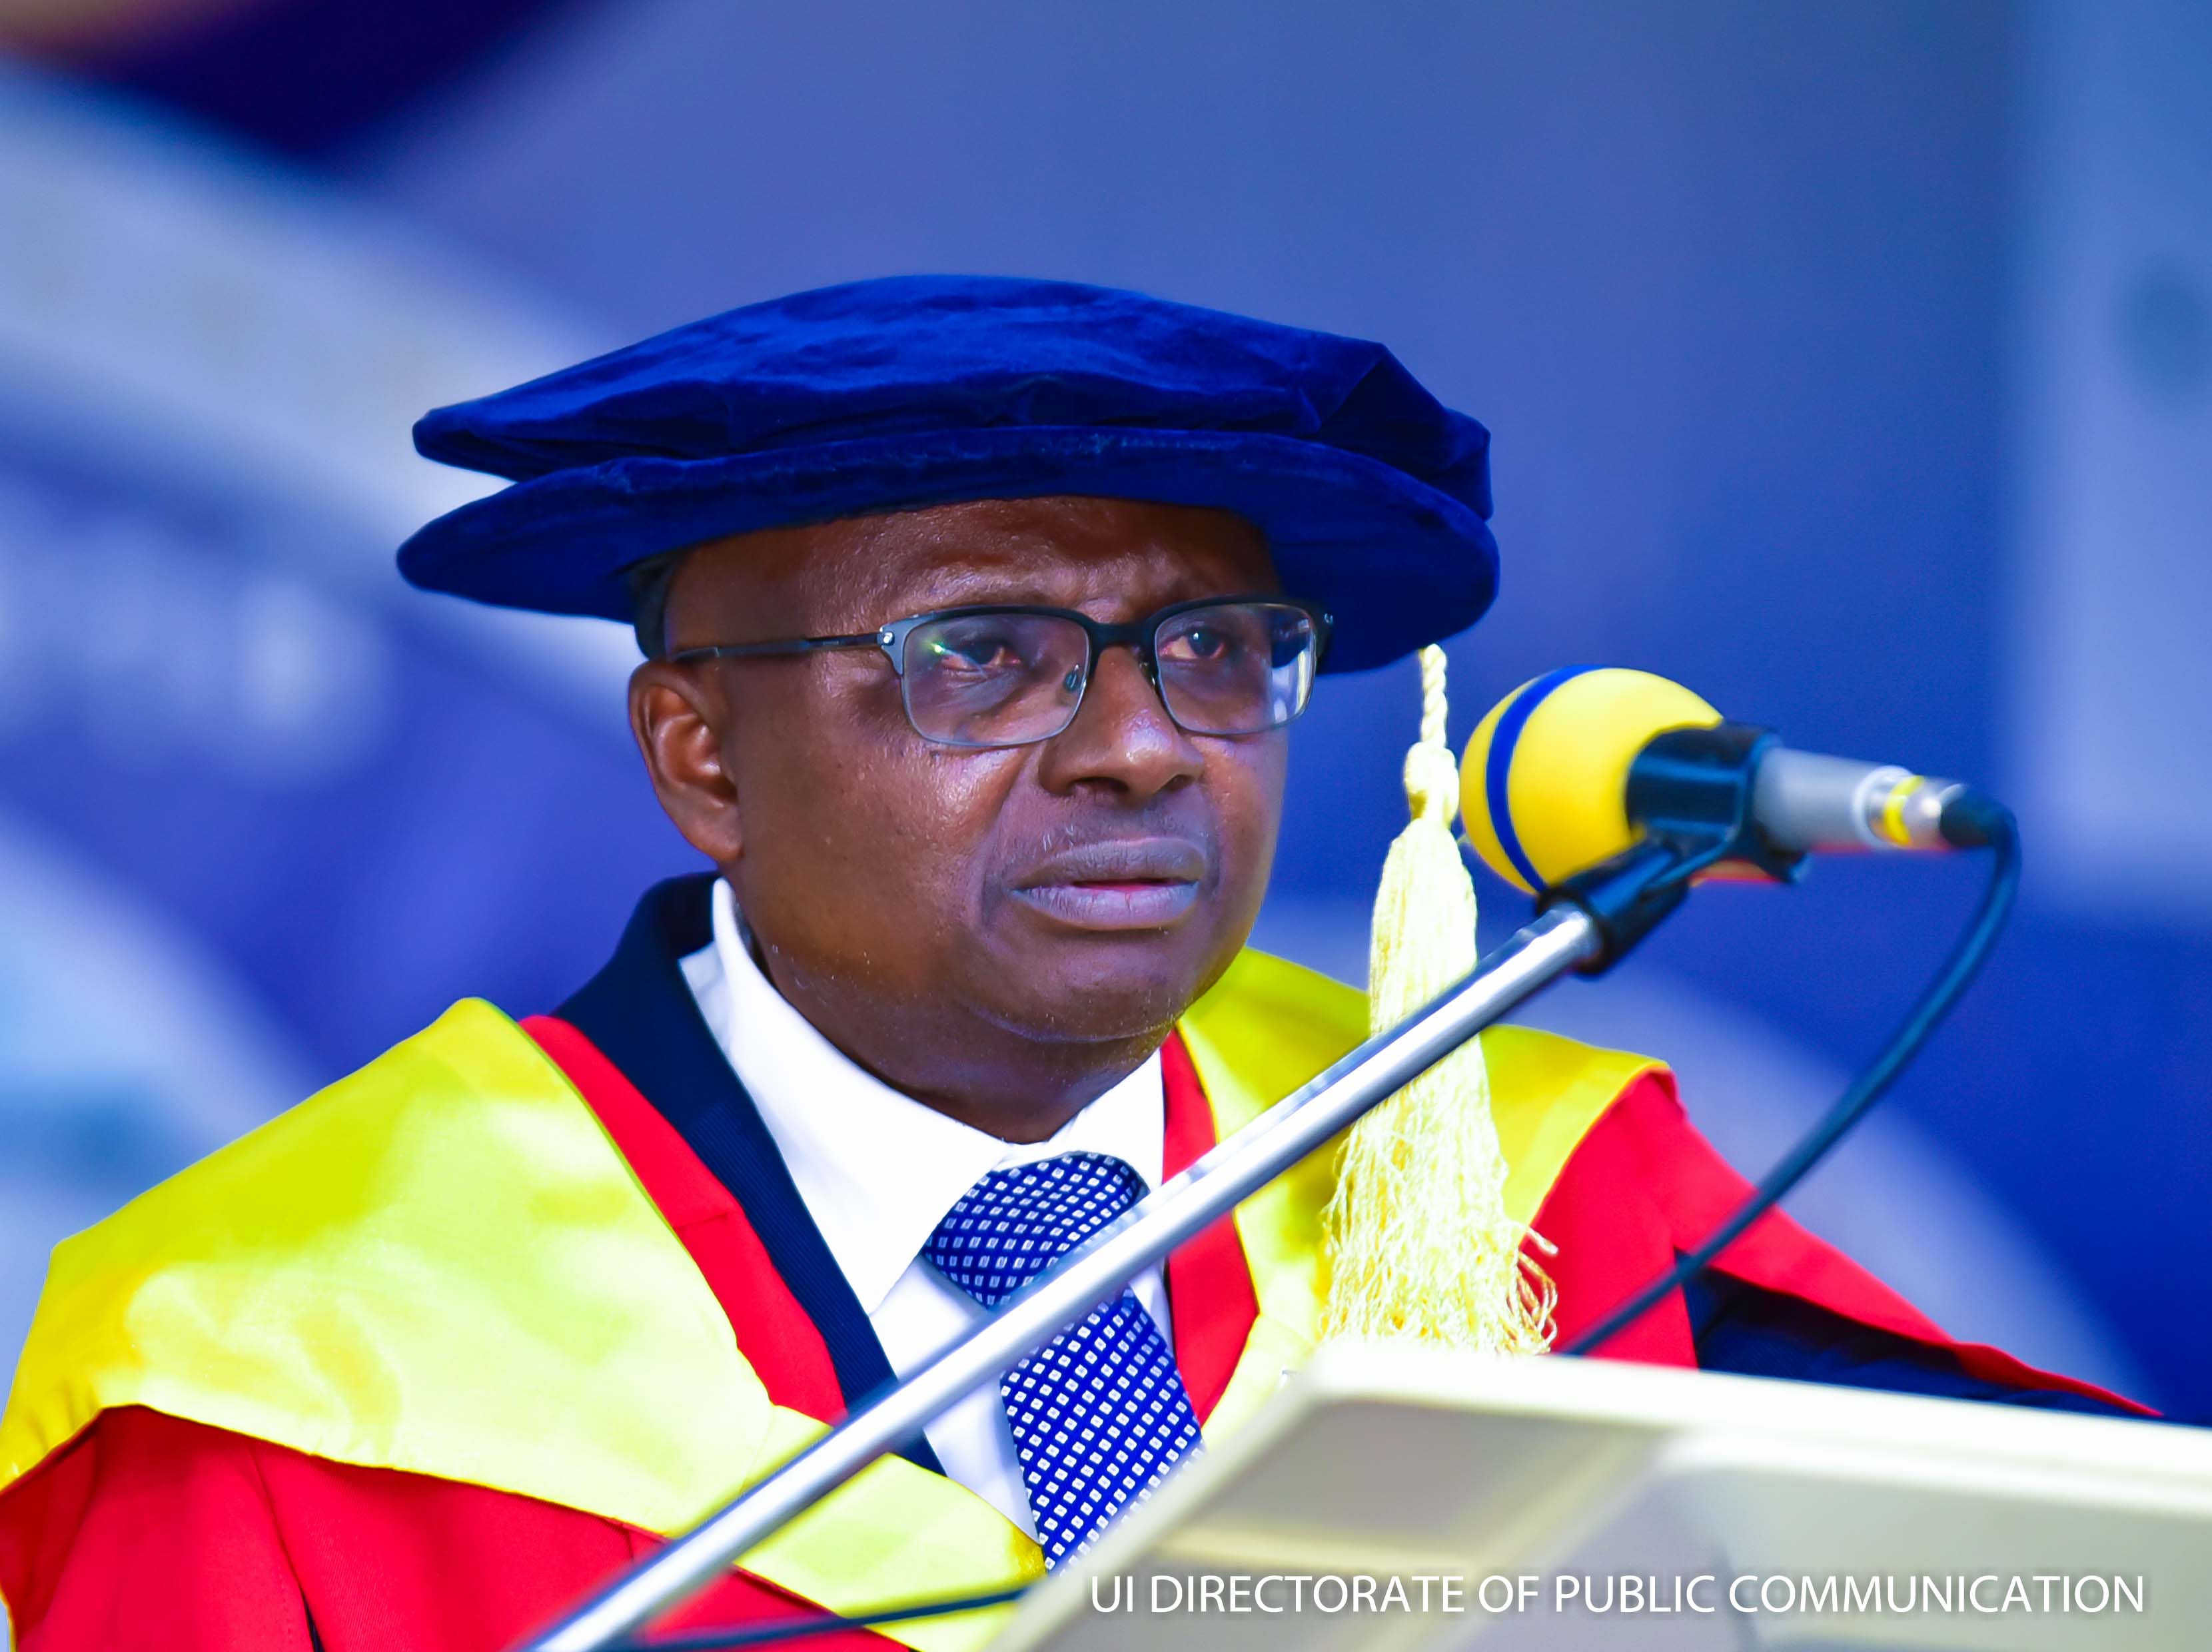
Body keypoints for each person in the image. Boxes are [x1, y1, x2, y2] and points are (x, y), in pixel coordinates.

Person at [0, 276, 2141, 1652]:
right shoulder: (283, 1368)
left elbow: (2075, 1585)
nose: (1143, 746)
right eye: (983, 656)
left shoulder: (1525, 1189)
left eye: (1218, 649)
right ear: (700, 755)